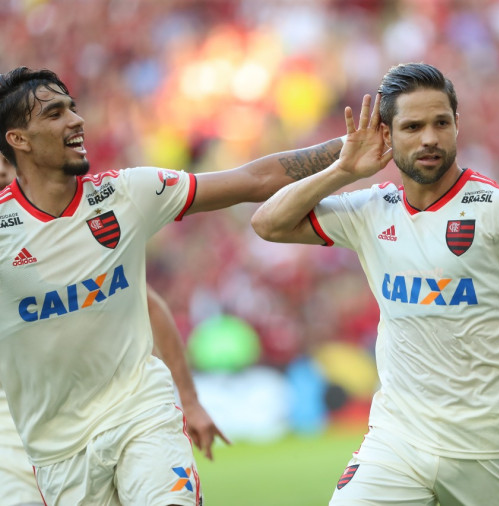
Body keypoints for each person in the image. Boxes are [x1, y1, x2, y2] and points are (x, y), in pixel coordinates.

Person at [252, 62, 499, 505]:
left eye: (441, 123)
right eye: (412, 126)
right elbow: (268, 222)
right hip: (399, 441)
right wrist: (344, 170)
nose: (430, 137)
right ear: (387, 135)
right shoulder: (371, 211)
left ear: (457, 125)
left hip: (490, 445)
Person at [0, 66, 344, 505]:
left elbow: (254, 179)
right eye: (54, 114)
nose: (75, 120)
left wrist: (348, 150)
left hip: (141, 412)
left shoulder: (126, 194)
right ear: (19, 139)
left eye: (73, 108)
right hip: (58, 449)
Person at [0, 155, 228, 506]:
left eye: (3, 160)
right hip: (22, 433)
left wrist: (191, 400)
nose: (1, 169)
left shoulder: (56, 227)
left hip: (114, 408)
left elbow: (149, 305)